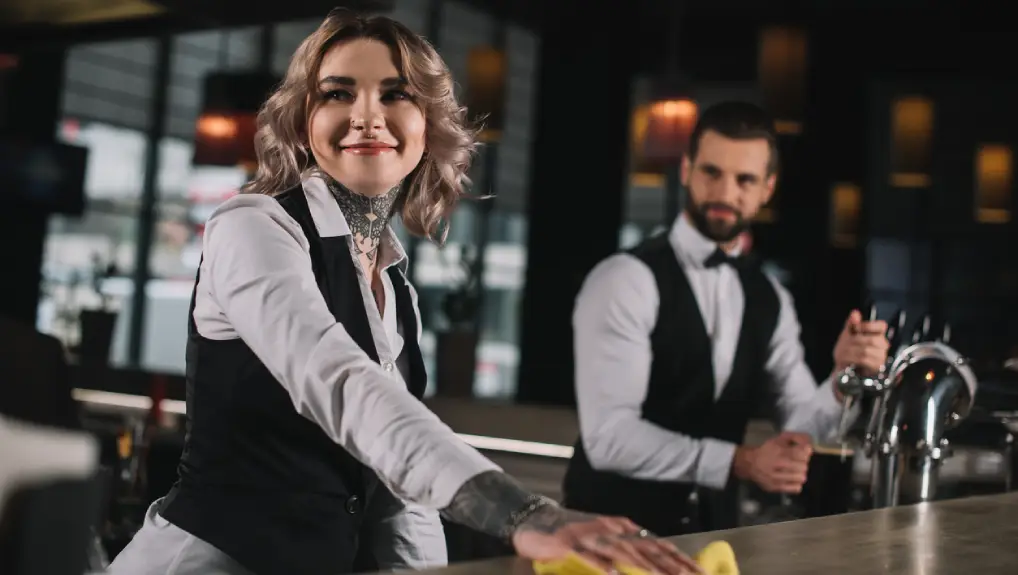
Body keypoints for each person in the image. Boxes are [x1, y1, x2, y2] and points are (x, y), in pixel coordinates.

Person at [107, 11, 699, 575]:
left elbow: (399, 496)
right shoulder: (252, 226)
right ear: (302, 122)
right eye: (338, 93)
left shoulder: (395, 286)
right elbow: (342, 384)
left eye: (396, 94)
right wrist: (523, 513)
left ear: (429, 124)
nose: (367, 117)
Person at [562, 101, 890, 537]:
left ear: (767, 189)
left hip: (712, 540)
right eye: (711, 172)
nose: (724, 193)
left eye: (745, 180)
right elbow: (609, 438)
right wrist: (741, 461)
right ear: (686, 170)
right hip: (603, 534)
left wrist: (841, 378)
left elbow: (798, 425)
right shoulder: (625, 279)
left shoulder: (770, 297)